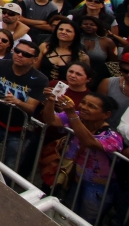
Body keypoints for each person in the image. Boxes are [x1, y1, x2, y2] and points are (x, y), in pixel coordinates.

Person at [41, 91, 123, 224]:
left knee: (86, 220)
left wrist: (72, 115)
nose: (84, 107)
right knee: (68, 215)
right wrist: (50, 101)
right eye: (83, 103)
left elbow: (90, 143)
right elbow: (50, 120)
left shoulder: (112, 136)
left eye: (92, 106)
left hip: (97, 189)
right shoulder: (77, 117)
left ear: (106, 115)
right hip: (75, 179)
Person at [0, 40, 49, 170]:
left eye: (26, 54)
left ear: (34, 59)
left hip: (20, 130)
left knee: (11, 166)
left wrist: (17, 102)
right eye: (17, 51)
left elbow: (31, 107)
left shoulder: (40, 79)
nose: (20, 55)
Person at [36, 18, 88, 82]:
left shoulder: (81, 56)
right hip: (41, 85)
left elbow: (84, 79)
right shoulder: (45, 47)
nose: (63, 32)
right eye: (60, 29)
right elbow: (34, 69)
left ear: (75, 34)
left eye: (68, 31)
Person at [96, 52, 129, 129]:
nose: (128, 75)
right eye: (125, 71)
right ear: (120, 69)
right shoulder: (108, 83)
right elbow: (97, 110)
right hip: (107, 134)